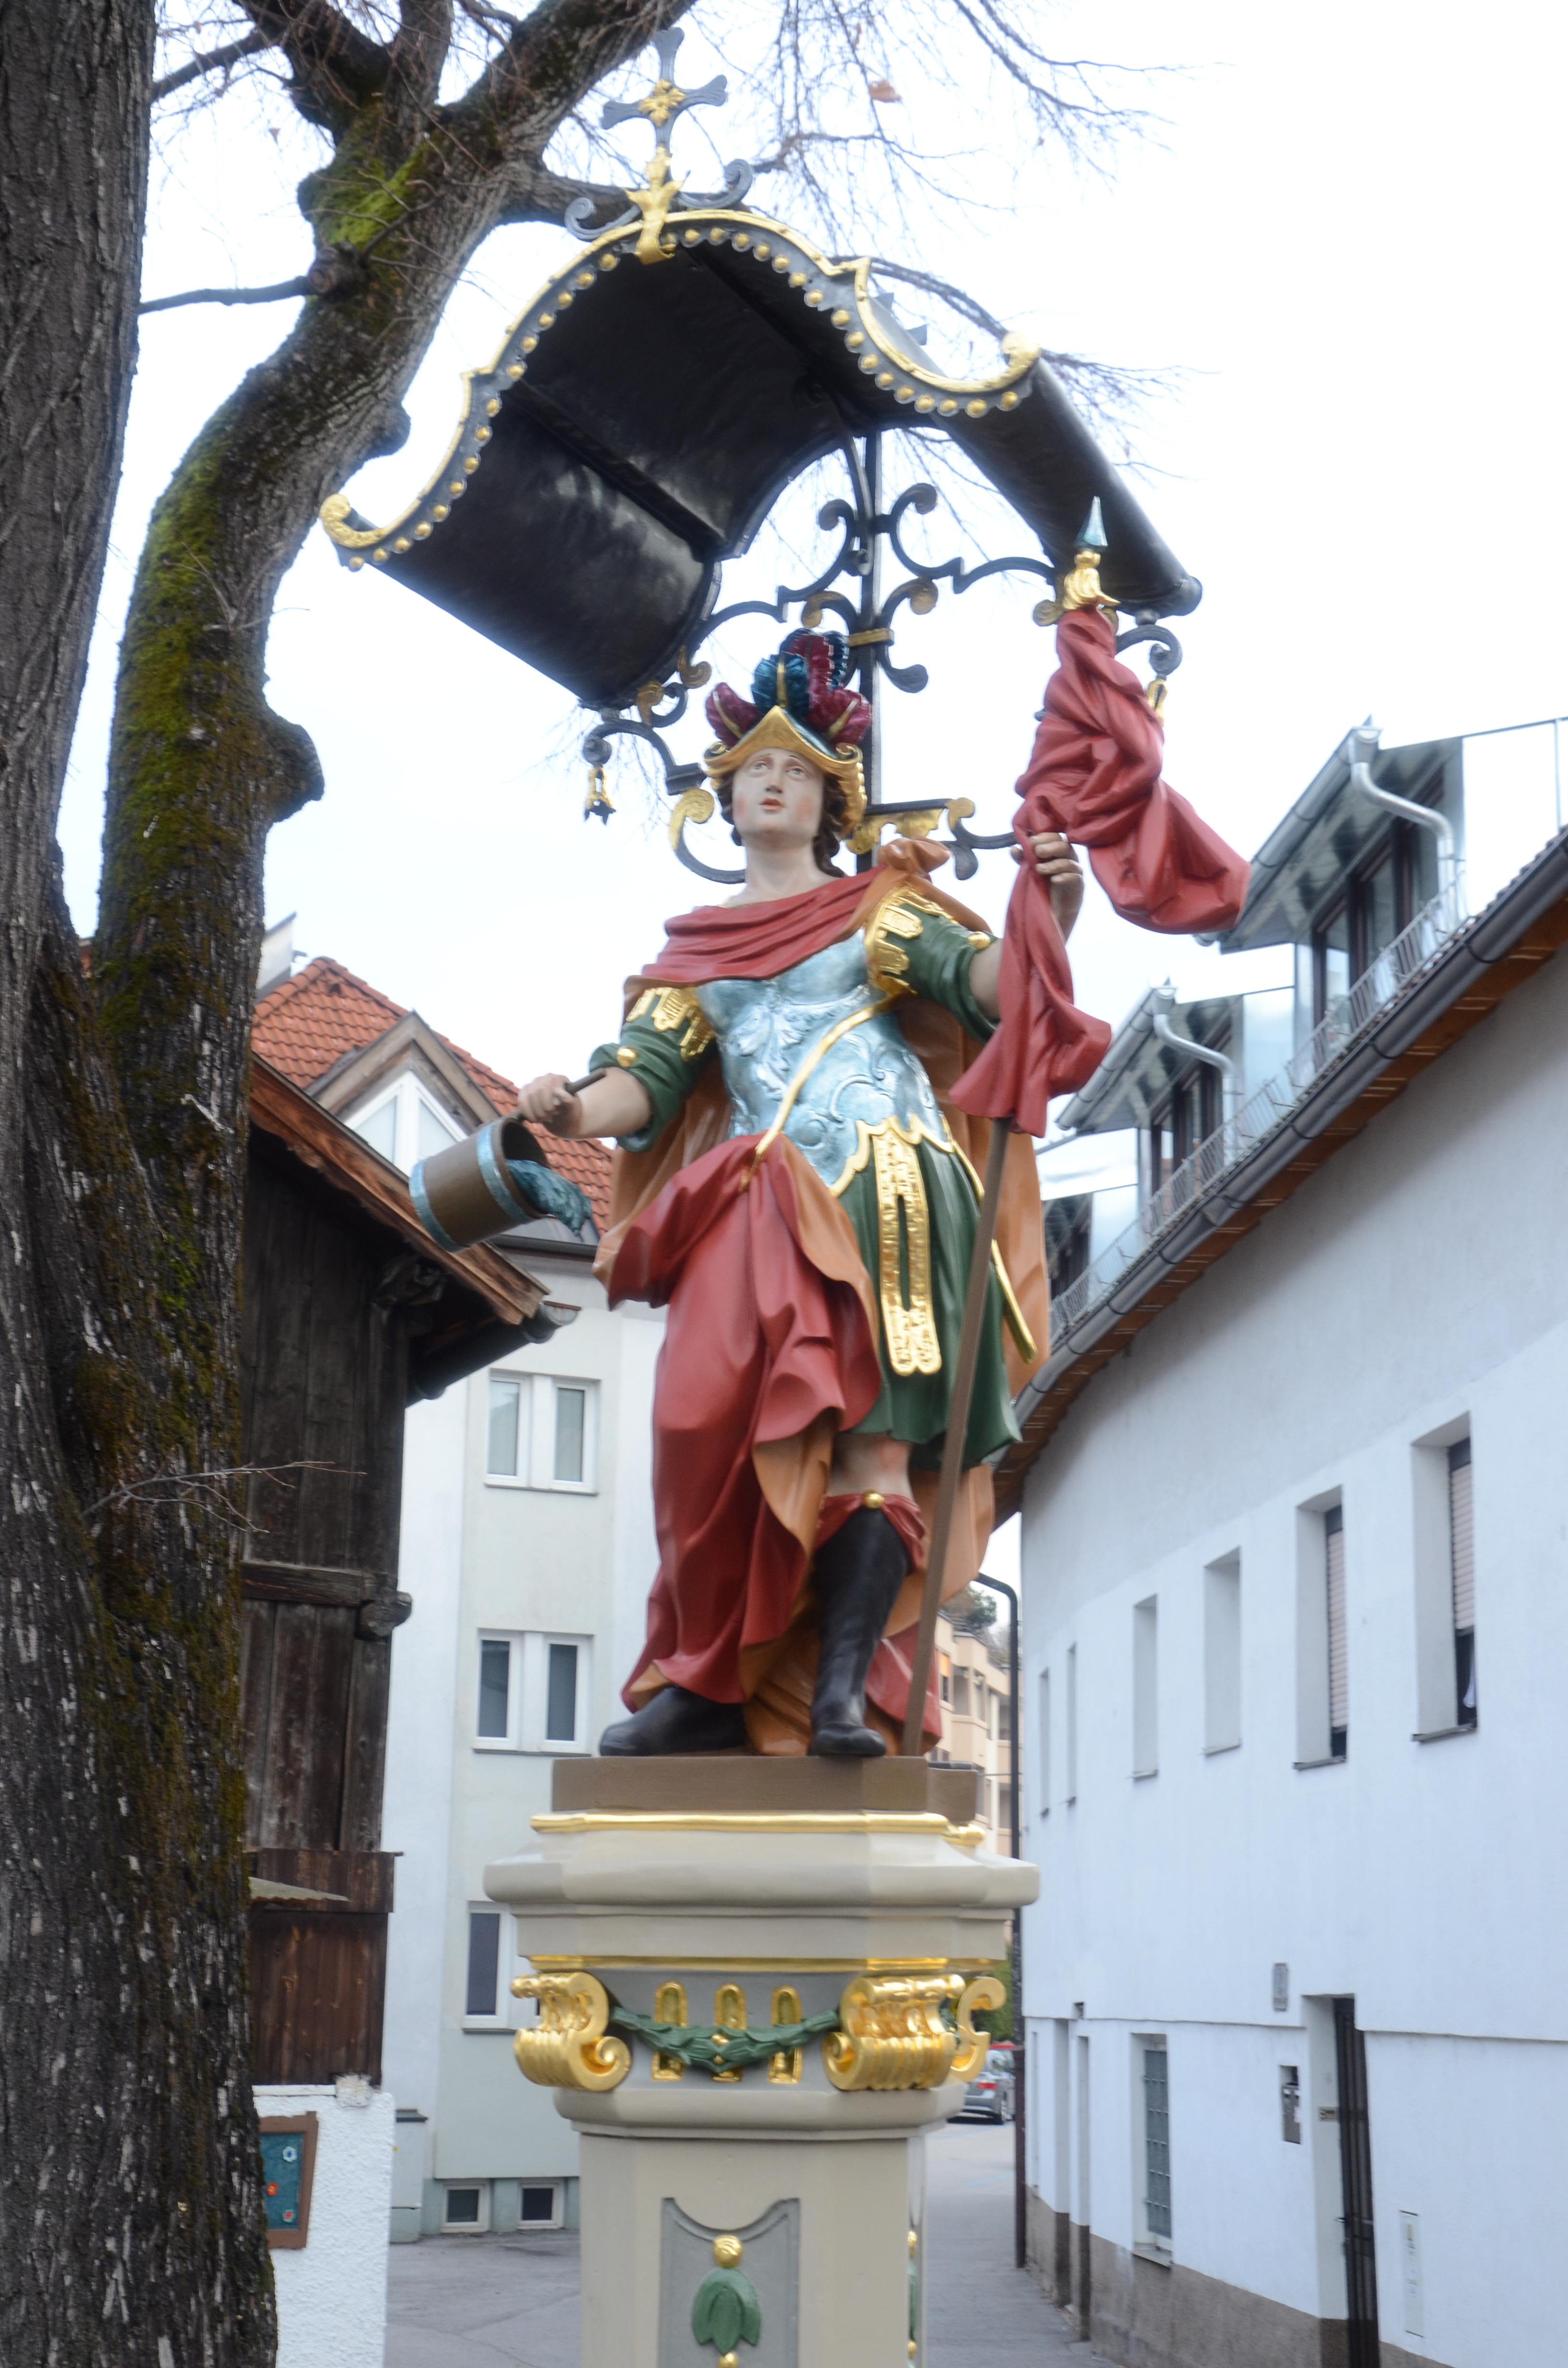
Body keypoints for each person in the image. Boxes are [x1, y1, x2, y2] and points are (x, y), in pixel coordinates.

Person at [517, 629, 1076, 1757]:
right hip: (758, 1207)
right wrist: (572, 1109)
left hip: (886, 1184)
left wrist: (1042, 920)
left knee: (870, 1444)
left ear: (834, 800)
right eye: (755, 768)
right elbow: (648, 1080)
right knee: (700, 1426)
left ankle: (835, 1693)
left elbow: (981, 989)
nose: (774, 780)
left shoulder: (880, 910)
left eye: (800, 770)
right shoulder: (696, 953)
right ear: (724, 797)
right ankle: (715, 1680)